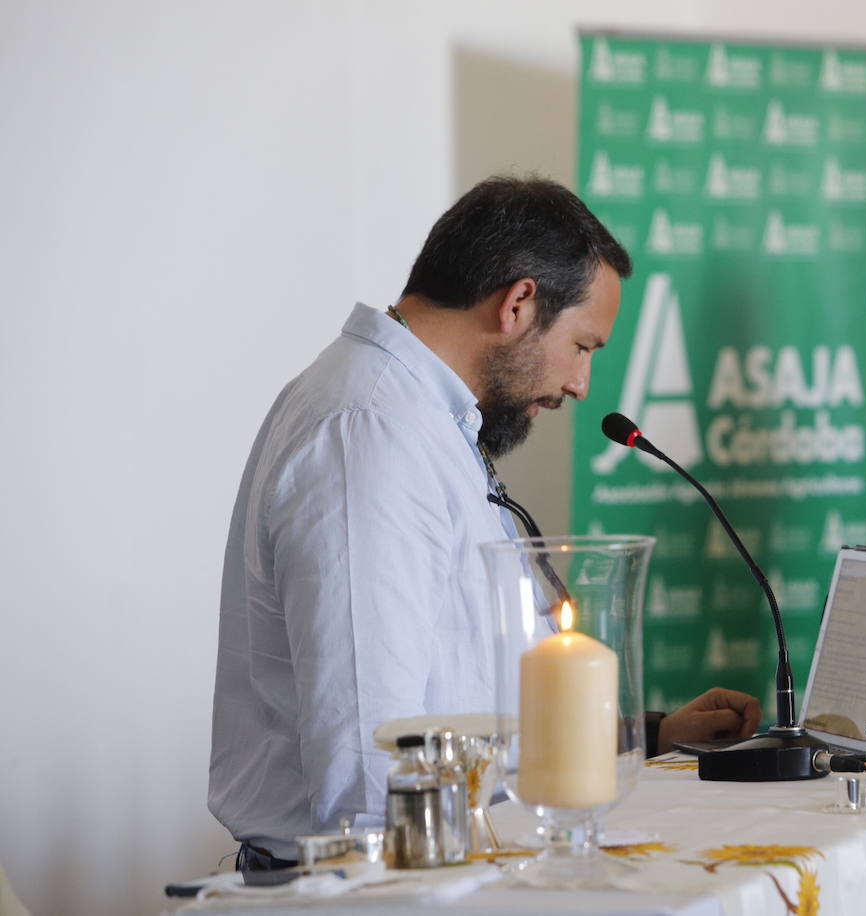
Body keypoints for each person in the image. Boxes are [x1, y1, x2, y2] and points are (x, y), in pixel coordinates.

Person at [210, 177, 761, 869]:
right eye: (583, 346)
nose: (581, 384)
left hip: (450, 862)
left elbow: (466, 691)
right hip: (392, 884)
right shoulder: (370, 433)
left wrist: (647, 736)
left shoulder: (421, 418)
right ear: (518, 303)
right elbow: (368, 774)